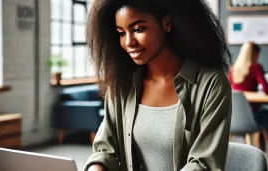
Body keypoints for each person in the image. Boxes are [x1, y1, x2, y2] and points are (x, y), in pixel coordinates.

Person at [85, 0, 232, 170]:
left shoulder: (212, 84)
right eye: (121, 33)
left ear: (166, 23)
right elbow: (106, 149)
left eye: (138, 29)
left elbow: (204, 164)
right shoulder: (122, 85)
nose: (129, 42)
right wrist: (97, 166)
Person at [228, 42, 268, 139]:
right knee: (266, 113)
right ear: (254, 54)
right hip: (251, 116)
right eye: (258, 54)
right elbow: (267, 90)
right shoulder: (255, 67)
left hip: (231, 117)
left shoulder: (233, 69)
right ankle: (263, 146)